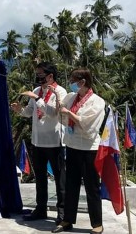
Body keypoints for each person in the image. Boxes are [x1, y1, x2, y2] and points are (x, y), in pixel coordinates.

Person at [10, 62, 67, 225]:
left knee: (59, 178)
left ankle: (62, 212)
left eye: (41, 74)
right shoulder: (37, 91)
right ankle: (41, 209)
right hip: (37, 141)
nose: (38, 77)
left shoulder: (60, 91)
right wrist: (19, 109)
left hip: (54, 142)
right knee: (40, 178)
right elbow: (30, 112)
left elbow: (54, 114)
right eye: (37, 74)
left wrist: (38, 99)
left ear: (50, 76)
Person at [51, 68, 105, 234]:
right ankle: (67, 220)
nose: (71, 83)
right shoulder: (71, 97)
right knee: (71, 185)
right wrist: (59, 100)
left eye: (73, 80)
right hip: (72, 145)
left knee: (92, 187)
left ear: (82, 82)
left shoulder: (97, 101)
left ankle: (97, 223)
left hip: (89, 149)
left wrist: (69, 114)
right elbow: (60, 114)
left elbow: (88, 125)